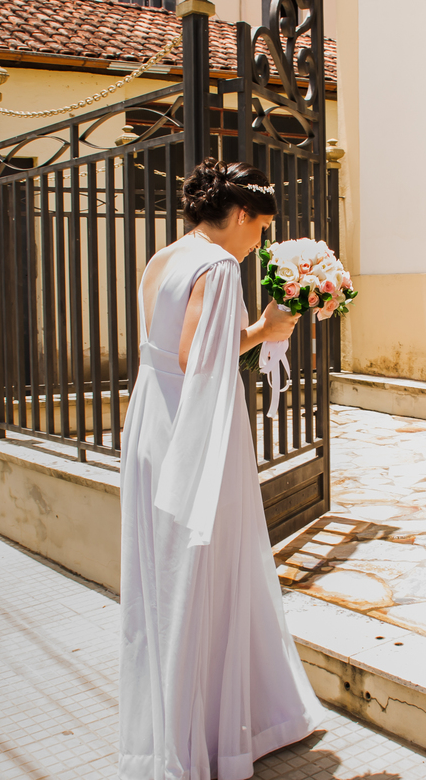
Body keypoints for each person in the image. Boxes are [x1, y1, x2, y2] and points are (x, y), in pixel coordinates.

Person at [119, 158, 323, 780]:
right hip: (195, 431)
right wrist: (265, 330)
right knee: (206, 574)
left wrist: (258, 329)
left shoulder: (165, 257)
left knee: (165, 577)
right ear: (237, 216)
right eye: (259, 227)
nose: (258, 241)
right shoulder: (218, 265)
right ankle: (205, 740)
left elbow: (167, 350)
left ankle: (179, 726)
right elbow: (198, 361)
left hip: (152, 421)